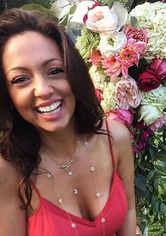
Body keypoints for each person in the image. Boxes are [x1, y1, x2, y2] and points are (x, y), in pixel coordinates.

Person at [0, 8, 136, 236]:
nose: (43, 90)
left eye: (55, 70)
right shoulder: (8, 172)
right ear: (8, 96)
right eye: (21, 79)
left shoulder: (116, 138)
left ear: (74, 73)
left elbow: (129, 210)